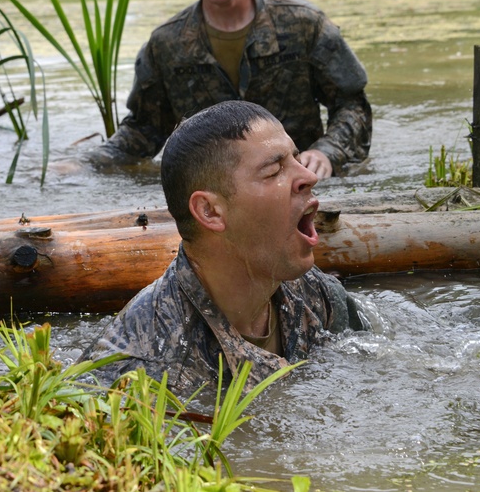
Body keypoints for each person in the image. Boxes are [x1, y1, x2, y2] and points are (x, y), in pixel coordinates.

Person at [78, 101, 367, 395]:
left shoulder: (314, 293)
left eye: (296, 158)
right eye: (273, 170)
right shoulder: (141, 371)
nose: (309, 176)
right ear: (210, 212)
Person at [85, 0, 371, 180]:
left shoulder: (303, 24)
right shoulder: (167, 45)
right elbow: (143, 131)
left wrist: (327, 153)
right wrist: (88, 162)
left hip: (297, 179)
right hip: (216, 191)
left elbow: (352, 105)